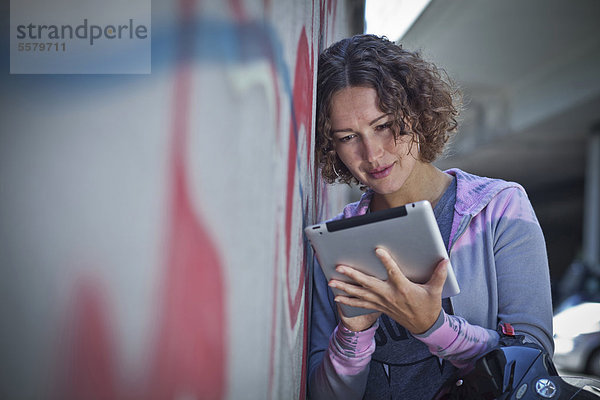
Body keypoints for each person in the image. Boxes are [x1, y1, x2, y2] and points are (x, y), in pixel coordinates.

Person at [308, 34, 554, 399]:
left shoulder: (500, 208)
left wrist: (434, 326)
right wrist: (353, 336)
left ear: (417, 111)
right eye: (347, 137)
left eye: (384, 125)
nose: (372, 154)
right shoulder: (335, 243)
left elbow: (534, 360)